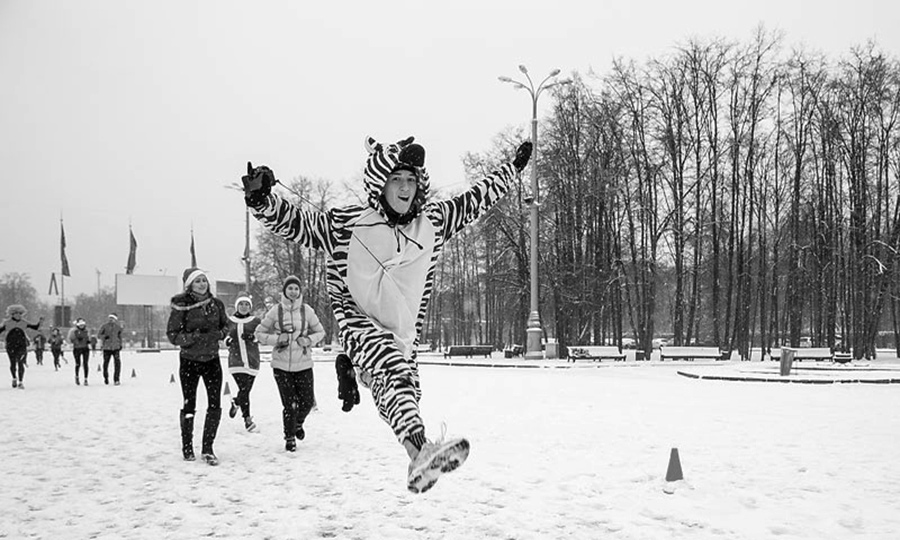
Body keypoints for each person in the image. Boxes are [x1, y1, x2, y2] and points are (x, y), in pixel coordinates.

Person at [242, 135, 531, 492]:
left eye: (411, 180)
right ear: (381, 184)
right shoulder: (349, 224)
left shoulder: (433, 222)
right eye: (396, 179)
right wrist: (262, 199)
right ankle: (416, 443)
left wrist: (513, 169)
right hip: (361, 323)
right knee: (388, 365)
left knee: (400, 388)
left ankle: (411, 446)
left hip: (403, 332)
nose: (405, 187)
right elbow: (299, 223)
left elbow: (475, 200)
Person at [254, 275, 325, 452]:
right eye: (290, 288)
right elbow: (259, 333)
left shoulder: (307, 310)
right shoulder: (275, 311)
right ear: (284, 291)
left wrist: (308, 340)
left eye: (296, 288)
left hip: (304, 364)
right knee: (290, 403)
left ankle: (298, 424)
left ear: (299, 291)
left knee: (307, 402)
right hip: (281, 366)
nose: (293, 291)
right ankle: (290, 437)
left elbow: (321, 332)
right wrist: (278, 339)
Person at [166, 267, 228, 465]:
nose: (202, 284)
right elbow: (173, 335)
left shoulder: (216, 304)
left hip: (212, 360)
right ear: (189, 285)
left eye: (204, 280)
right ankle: (187, 447)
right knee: (189, 404)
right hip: (189, 361)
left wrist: (218, 334)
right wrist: (193, 337)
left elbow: (226, 326)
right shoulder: (182, 305)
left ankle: (208, 448)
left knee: (215, 404)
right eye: (197, 281)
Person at [225, 295, 262, 433]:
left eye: (247, 304)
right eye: (241, 304)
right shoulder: (230, 321)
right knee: (244, 389)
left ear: (250, 307)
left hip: (252, 360)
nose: (244, 307)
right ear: (237, 306)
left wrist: (254, 337)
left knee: (246, 389)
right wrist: (228, 340)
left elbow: (262, 335)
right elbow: (225, 335)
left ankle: (237, 402)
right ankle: (247, 419)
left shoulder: (255, 321)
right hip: (236, 360)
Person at [0, 305, 43, 389]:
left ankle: (20, 381)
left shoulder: (24, 322)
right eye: (16, 313)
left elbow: (35, 327)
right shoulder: (7, 323)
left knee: (20, 363)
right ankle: (14, 378)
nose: (18, 315)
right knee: (12, 363)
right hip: (10, 345)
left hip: (21, 345)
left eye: (20, 313)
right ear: (12, 314)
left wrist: (40, 322)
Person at [97, 313, 124, 385]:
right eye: (110, 318)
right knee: (106, 363)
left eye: (112, 319)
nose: (111, 320)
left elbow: (120, 337)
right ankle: (106, 377)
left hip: (115, 347)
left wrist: (120, 344)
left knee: (117, 363)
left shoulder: (118, 327)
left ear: (115, 320)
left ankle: (116, 379)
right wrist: (104, 337)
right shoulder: (104, 326)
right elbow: (99, 335)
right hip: (107, 348)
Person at [67, 318, 92, 386]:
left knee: (85, 363)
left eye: (83, 325)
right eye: (80, 325)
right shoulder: (73, 331)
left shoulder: (87, 330)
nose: (82, 326)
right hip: (77, 348)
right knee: (78, 363)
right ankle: (77, 376)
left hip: (85, 348)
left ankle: (86, 378)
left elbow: (89, 338)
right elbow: (70, 339)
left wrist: (89, 341)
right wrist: (77, 341)